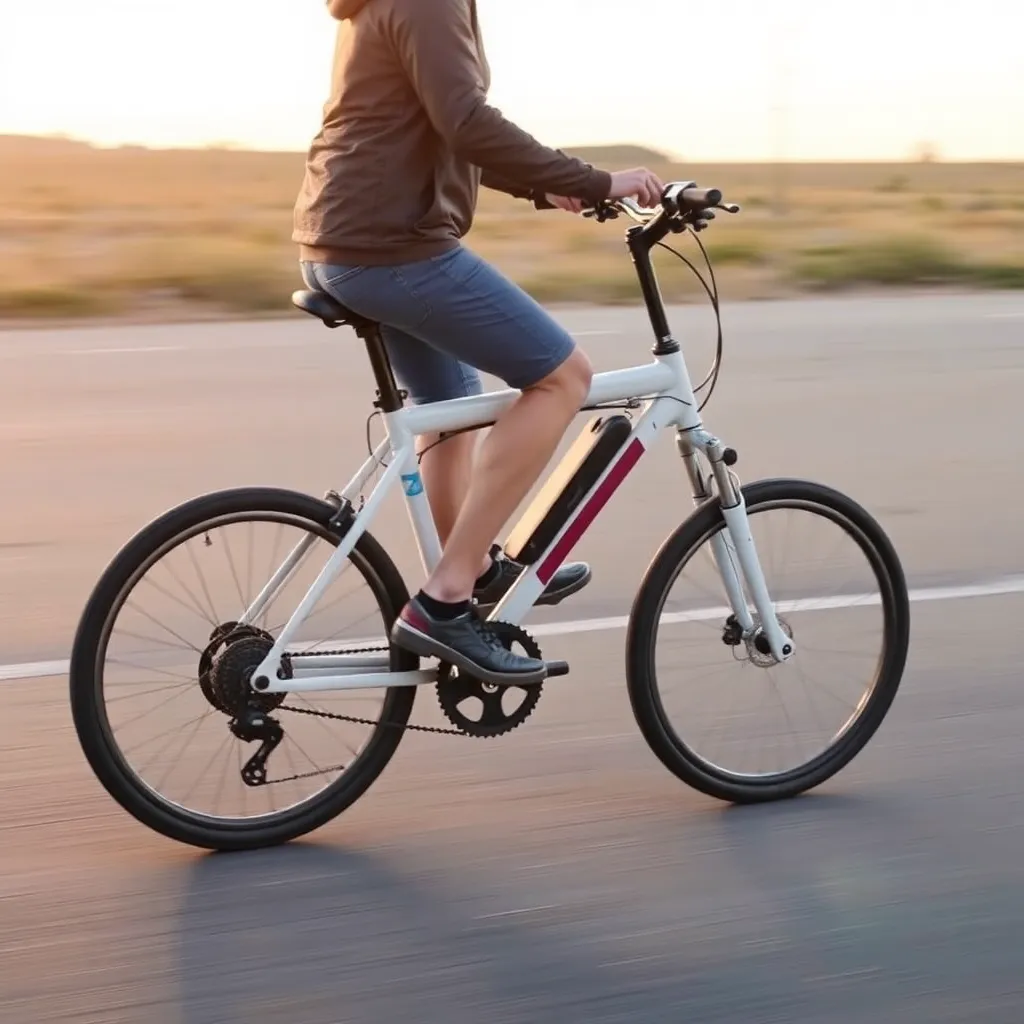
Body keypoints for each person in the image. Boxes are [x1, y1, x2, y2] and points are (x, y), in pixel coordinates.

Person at [295, 0, 664, 684]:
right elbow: (464, 123)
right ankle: (446, 599)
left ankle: (473, 569)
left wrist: (543, 185)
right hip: (390, 247)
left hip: (344, 239)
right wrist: (593, 180)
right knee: (561, 378)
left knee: (451, 399)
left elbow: (431, 124)